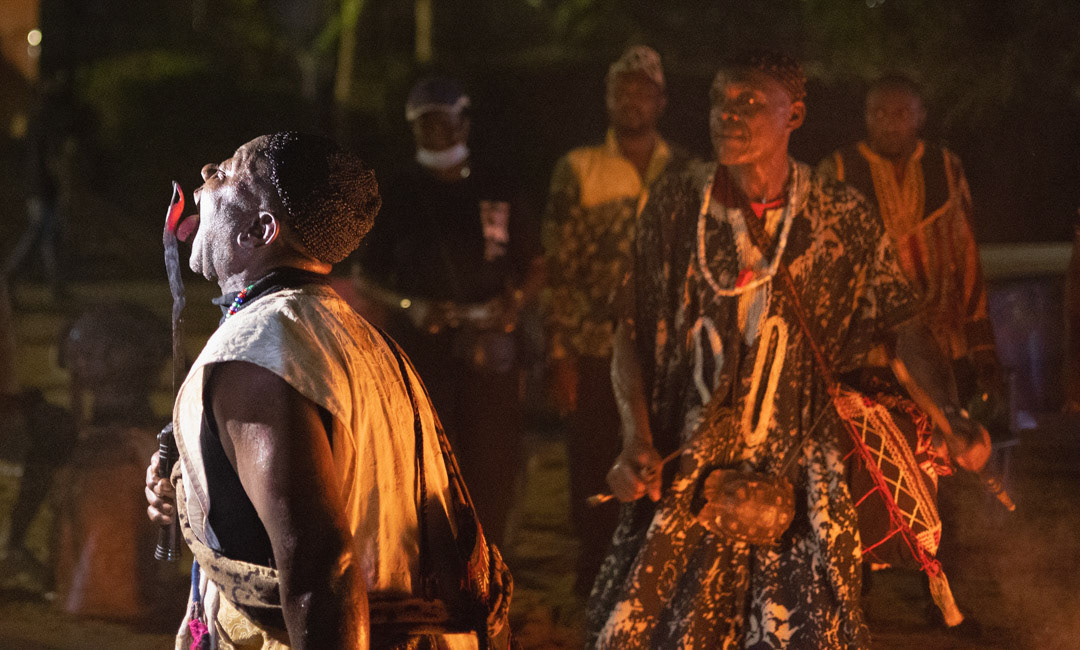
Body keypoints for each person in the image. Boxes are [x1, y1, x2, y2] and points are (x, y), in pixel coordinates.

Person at [586, 52, 991, 648]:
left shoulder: (839, 215)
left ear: (794, 114)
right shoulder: (675, 208)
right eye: (721, 101)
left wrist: (948, 415)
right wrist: (636, 439)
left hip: (804, 474)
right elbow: (630, 329)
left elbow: (903, 326)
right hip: (687, 464)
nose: (728, 114)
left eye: (749, 103)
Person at [145, 132, 510, 649]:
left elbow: (325, 572)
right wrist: (193, 484)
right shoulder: (357, 338)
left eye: (226, 173)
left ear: (260, 230)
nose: (205, 171)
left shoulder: (258, 356)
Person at [353, 77, 542, 547]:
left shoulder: (498, 183)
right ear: (413, 128)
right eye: (426, 122)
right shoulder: (396, 191)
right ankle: (432, 565)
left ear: (465, 122)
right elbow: (364, 274)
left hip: (489, 349)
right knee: (426, 459)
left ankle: (491, 559)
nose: (438, 131)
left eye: (447, 119)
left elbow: (535, 264)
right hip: (421, 353)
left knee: (493, 462)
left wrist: (513, 304)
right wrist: (410, 307)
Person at [540, 45, 687, 599]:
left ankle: (656, 574)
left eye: (643, 92)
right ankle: (597, 575)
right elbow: (559, 268)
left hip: (667, 351)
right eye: (621, 91)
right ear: (607, 99)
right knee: (595, 460)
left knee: (665, 458)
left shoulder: (686, 170)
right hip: (596, 346)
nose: (632, 101)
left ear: (661, 101)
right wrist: (561, 353)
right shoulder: (579, 168)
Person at [817, 73, 1004, 412]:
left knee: (949, 445)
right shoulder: (838, 171)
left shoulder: (946, 168)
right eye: (879, 114)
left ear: (921, 116)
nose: (889, 124)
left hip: (943, 344)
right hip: (869, 351)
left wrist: (981, 345)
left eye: (901, 114)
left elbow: (967, 256)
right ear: (866, 116)